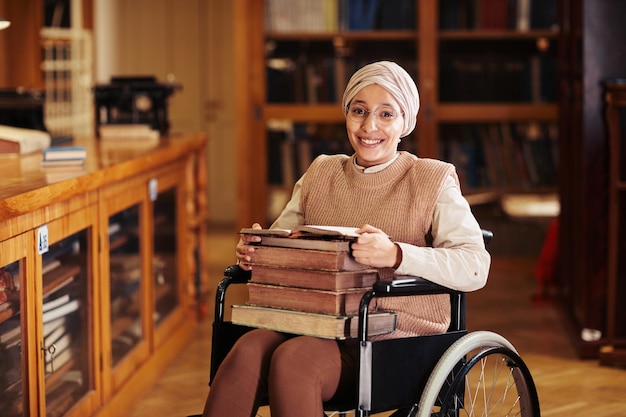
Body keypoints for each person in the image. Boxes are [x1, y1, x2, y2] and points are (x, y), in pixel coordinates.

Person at [202, 61, 490, 417]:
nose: (370, 126)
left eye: (386, 114)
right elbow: (282, 240)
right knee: (245, 352)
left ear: (405, 122)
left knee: (294, 362)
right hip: (314, 321)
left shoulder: (431, 179)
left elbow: (475, 266)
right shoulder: (321, 171)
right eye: (359, 111)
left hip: (392, 337)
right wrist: (257, 252)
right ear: (346, 114)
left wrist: (397, 255)